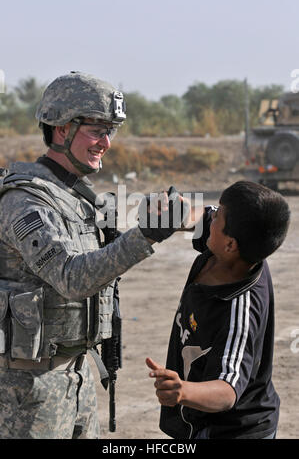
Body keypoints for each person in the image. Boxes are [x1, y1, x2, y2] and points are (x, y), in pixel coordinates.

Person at [0, 71, 188, 439]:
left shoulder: (76, 197)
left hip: (77, 373)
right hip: (27, 388)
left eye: (110, 131)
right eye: (97, 130)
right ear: (61, 130)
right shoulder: (25, 201)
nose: (106, 142)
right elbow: (71, 277)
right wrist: (146, 235)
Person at [146, 181, 291, 439]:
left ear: (230, 245)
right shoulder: (236, 250)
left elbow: (227, 390)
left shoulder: (239, 308)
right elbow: (196, 216)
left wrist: (183, 391)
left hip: (235, 431)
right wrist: (171, 214)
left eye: (218, 215)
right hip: (202, 421)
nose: (210, 215)